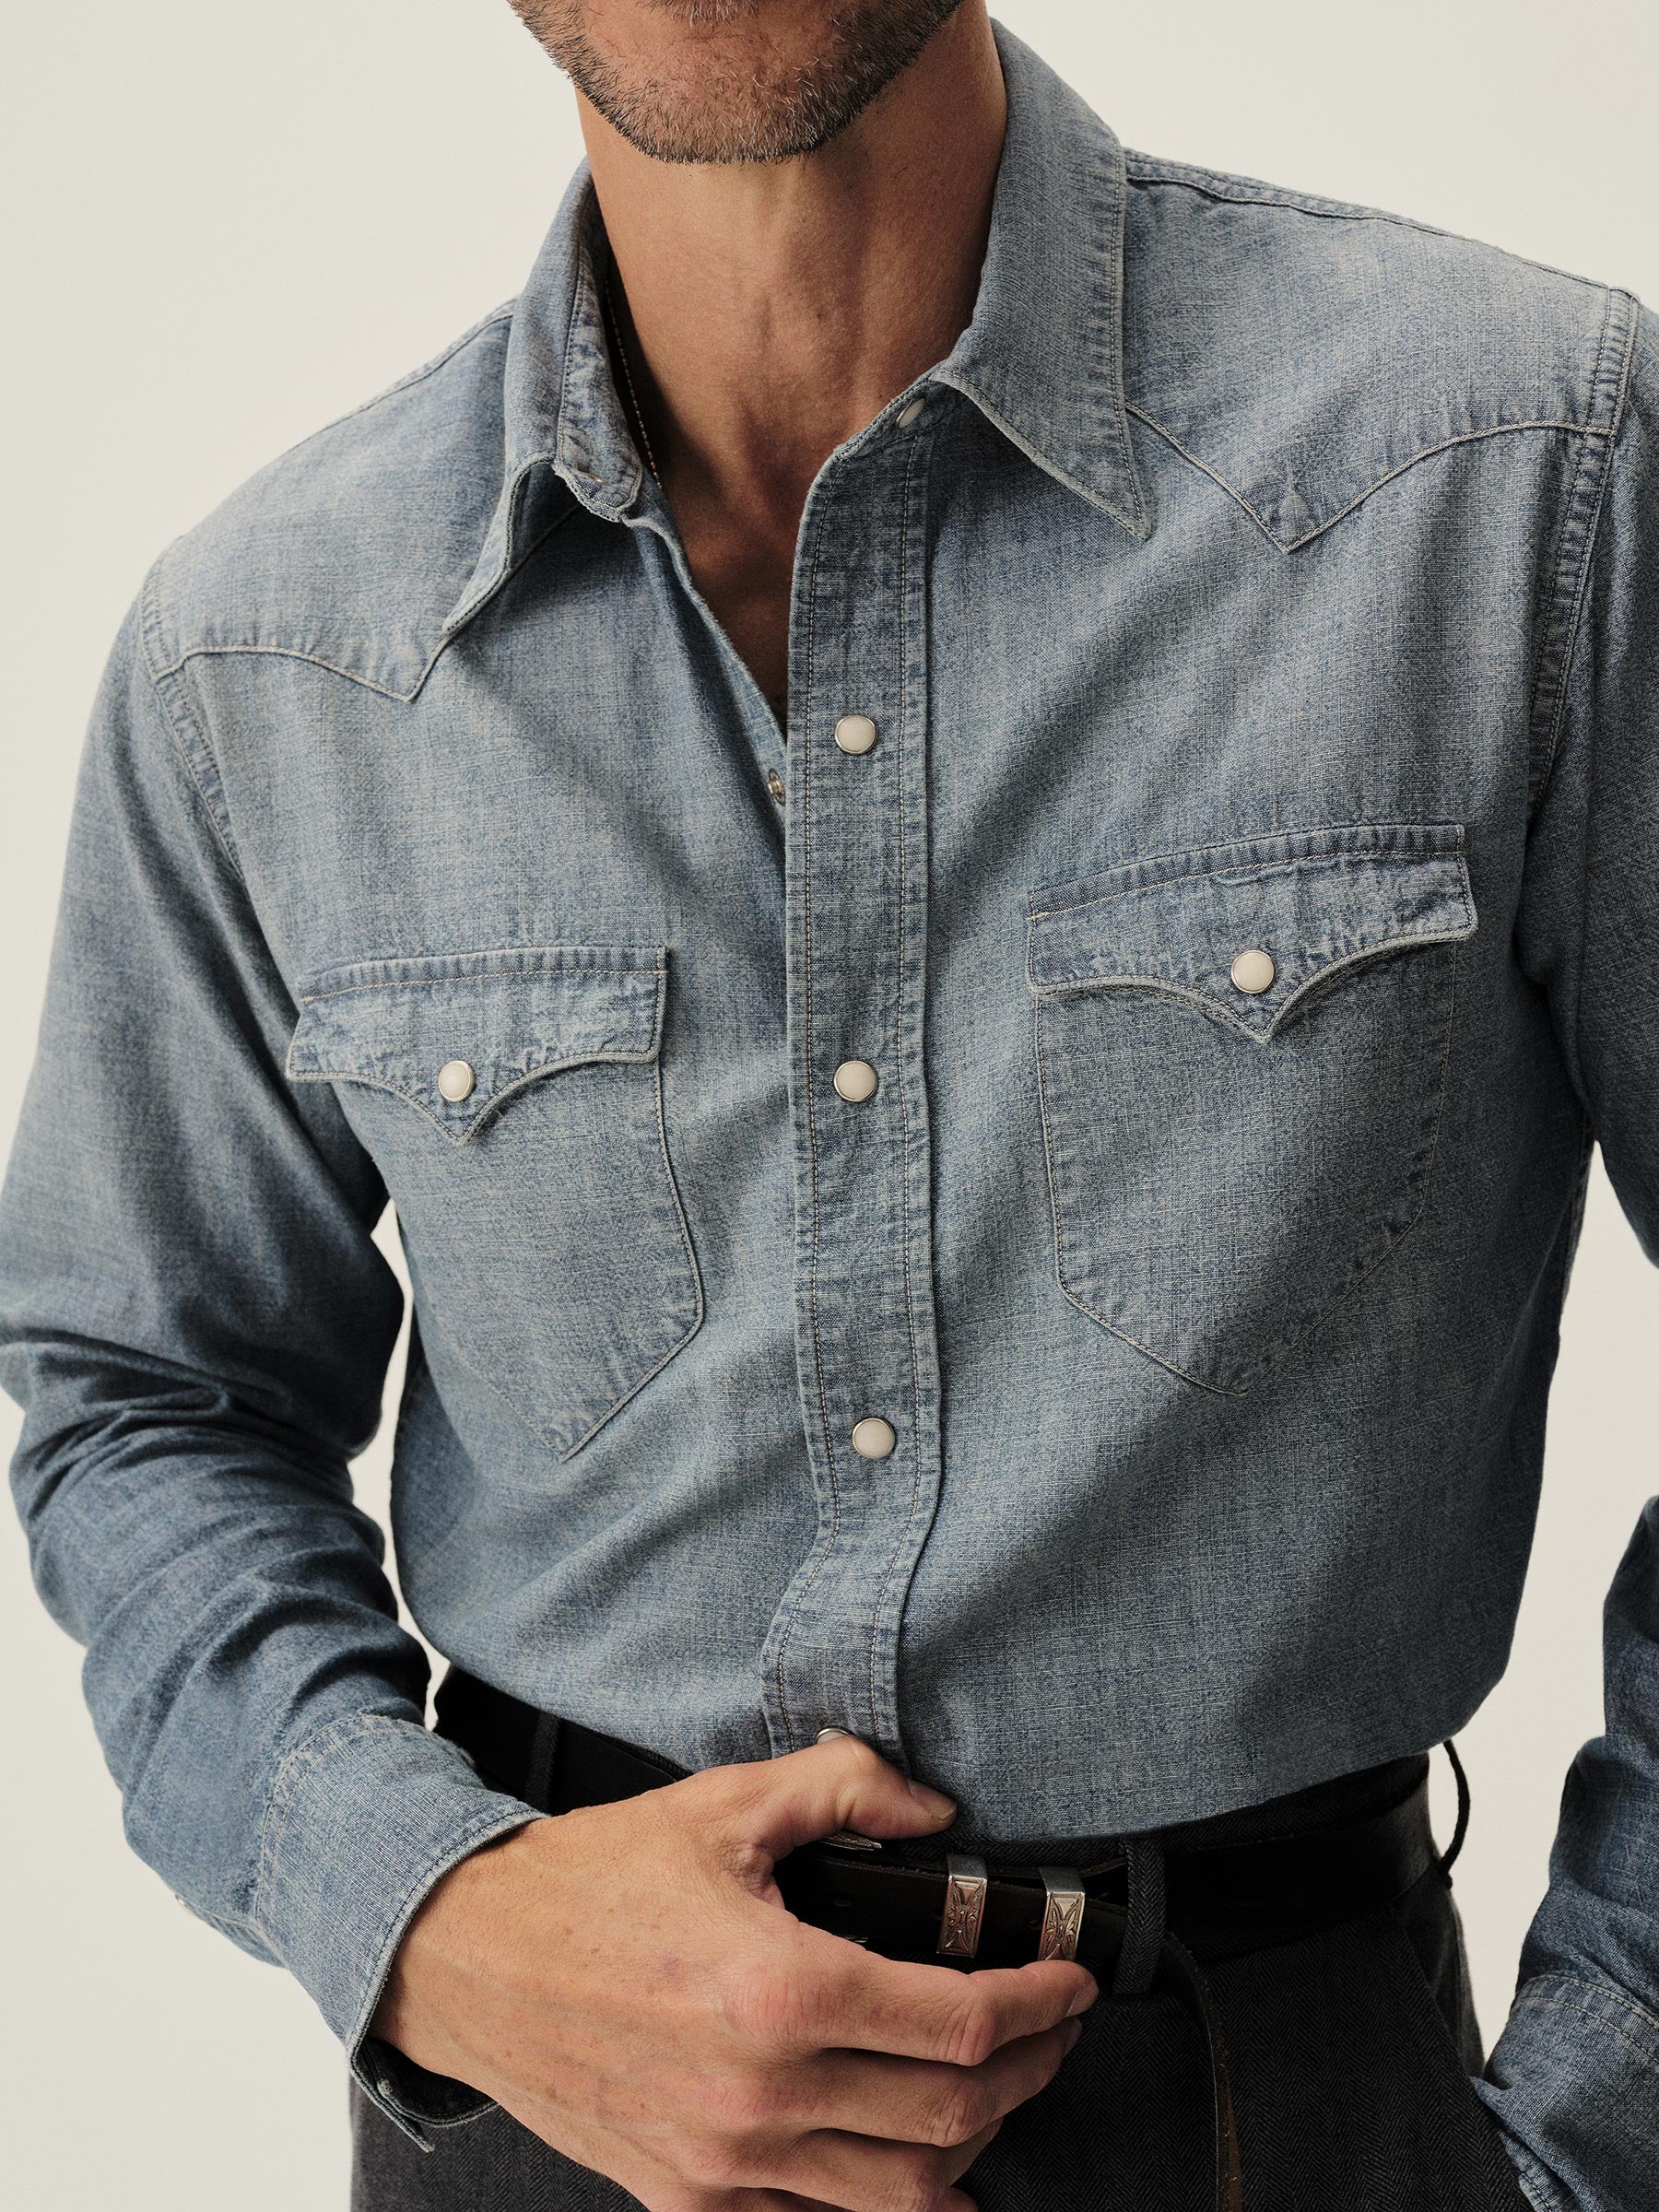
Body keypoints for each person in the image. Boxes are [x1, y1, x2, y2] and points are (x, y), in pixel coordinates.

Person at [4, 0, 1656, 2205]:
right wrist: (424, 1910)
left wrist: (1594, 2121)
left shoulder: (1520, 472)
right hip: (540, 2126)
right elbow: (142, 1402)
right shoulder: (265, 655)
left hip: (1287, 2109)